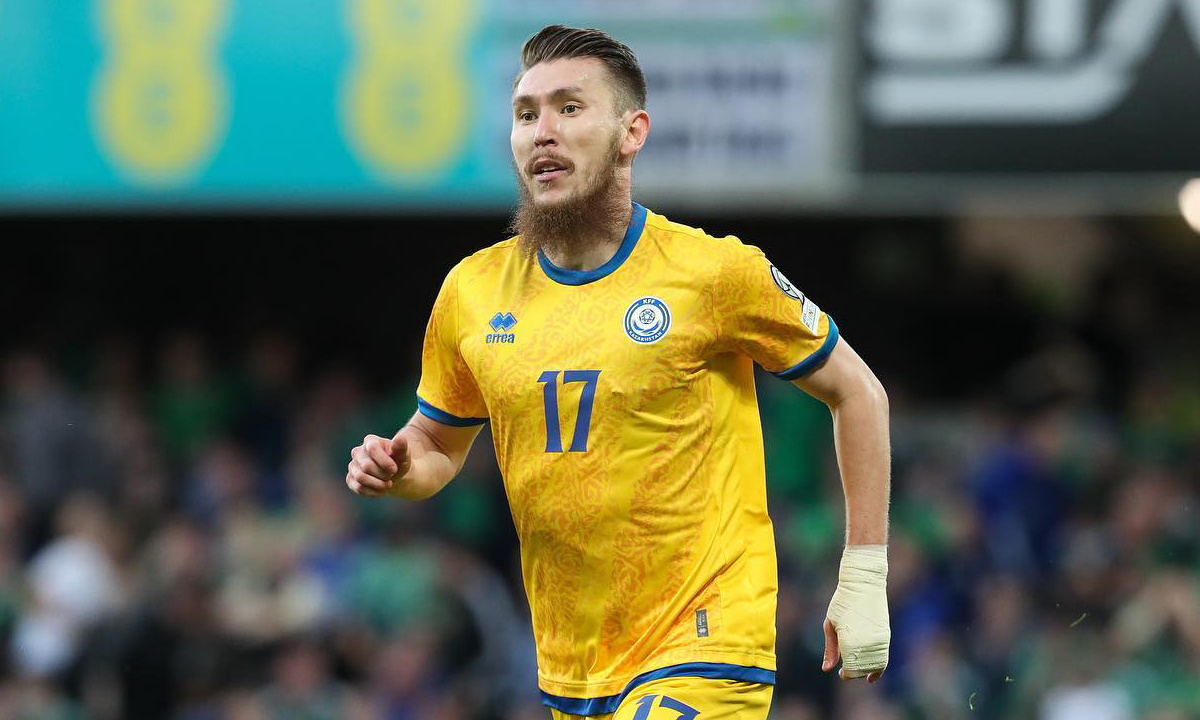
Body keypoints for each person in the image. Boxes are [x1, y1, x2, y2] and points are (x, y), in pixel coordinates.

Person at [347, 25, 891, 720]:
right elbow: (437, 444)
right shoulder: (472, 292)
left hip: (703, 639)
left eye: (569, 108)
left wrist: (864, 574)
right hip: (572, 662)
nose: (543, 131)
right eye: (526, 114)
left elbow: (858, 392)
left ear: (632, 133)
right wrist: (397, 465)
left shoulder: (713, 273)